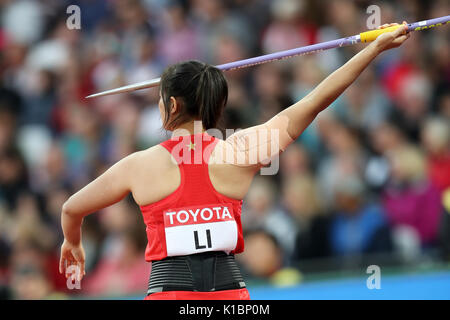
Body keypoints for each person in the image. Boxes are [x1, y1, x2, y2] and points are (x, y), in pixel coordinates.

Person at [59, 23, 410, 300]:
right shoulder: (239, 151)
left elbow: (72, 209)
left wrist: (73, 243)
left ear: (174, 106)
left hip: (168, 294)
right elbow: (316, 100)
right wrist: (374, 49)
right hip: (232, 296)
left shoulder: (137, 166)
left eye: (161, 100)